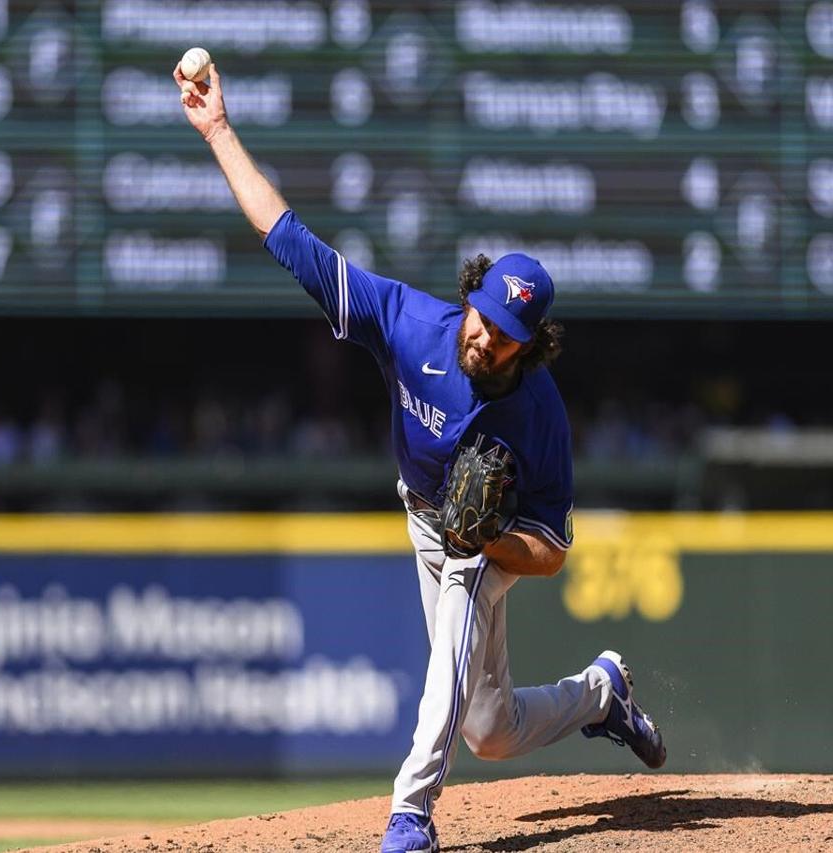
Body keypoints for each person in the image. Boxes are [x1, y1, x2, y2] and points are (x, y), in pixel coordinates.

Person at [174, 62, 666, 853]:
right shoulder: (409, 323)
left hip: (484, 541)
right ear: (469, 297)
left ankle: (409, 815)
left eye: (502, 334)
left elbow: (549, 552)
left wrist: (486, 538)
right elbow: (287, 239)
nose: (482, 335)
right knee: (491, 729)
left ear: (530, 345)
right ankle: (599, 694)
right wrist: (217, 131)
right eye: (479, 316)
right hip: (420, 511)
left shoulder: (538, 414)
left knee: (459, 614)